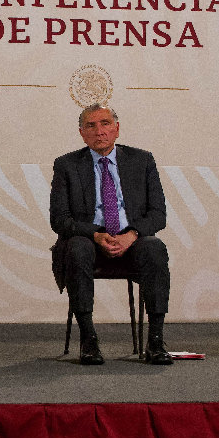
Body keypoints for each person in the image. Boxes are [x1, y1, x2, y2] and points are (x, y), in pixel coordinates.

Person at [50, 103, 172, 365]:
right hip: (89, 243)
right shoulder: (66, 165)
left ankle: (156, 339)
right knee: (77, 247)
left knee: (155, 247)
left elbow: (158, 214)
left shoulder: (142, 161)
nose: (99, 131)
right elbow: (59, 220)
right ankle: (89, 339)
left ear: (117, 129)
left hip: (131, 242)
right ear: (82, 133)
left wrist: (132, 234)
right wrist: (95, 234)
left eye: (105, 124)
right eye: (91, 126)